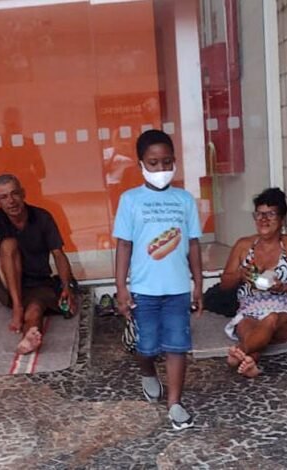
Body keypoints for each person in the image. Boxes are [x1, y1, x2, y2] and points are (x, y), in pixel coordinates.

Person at [113, 129, 203, 431]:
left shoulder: (184, 200)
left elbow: (193, 243)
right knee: (146, 346)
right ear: (141, 164)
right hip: (143, 289)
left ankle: (175, 404)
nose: (161, 169)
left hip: (177, 289)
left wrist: (198, 283)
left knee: (177, 345)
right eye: (153, 163)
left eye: (167, 162)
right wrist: (121, 288)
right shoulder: (130, 200)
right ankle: (148, 372)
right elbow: (124, 245)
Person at [0, 174, 76, 355]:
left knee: (35, 310)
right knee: (8, 244)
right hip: (8, 284)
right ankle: (17, 306)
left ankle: (30, 337)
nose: (11, 201)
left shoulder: (42, 217)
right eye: (4, 197)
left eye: (14, 194)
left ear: (23, 193)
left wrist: (67, 286)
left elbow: (58, 254)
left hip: (38, 283)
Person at [219, 187, 287, 378]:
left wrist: (284, 287)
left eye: (270, 214)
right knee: (248, 324)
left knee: (271, 319)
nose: (263, 219)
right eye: (259, 214)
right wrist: (240, 275)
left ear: (282, 218)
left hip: (284, 311)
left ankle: (240, 352)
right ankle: (250, 361)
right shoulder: (243, 245)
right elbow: (224, 284)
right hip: (250, 308)